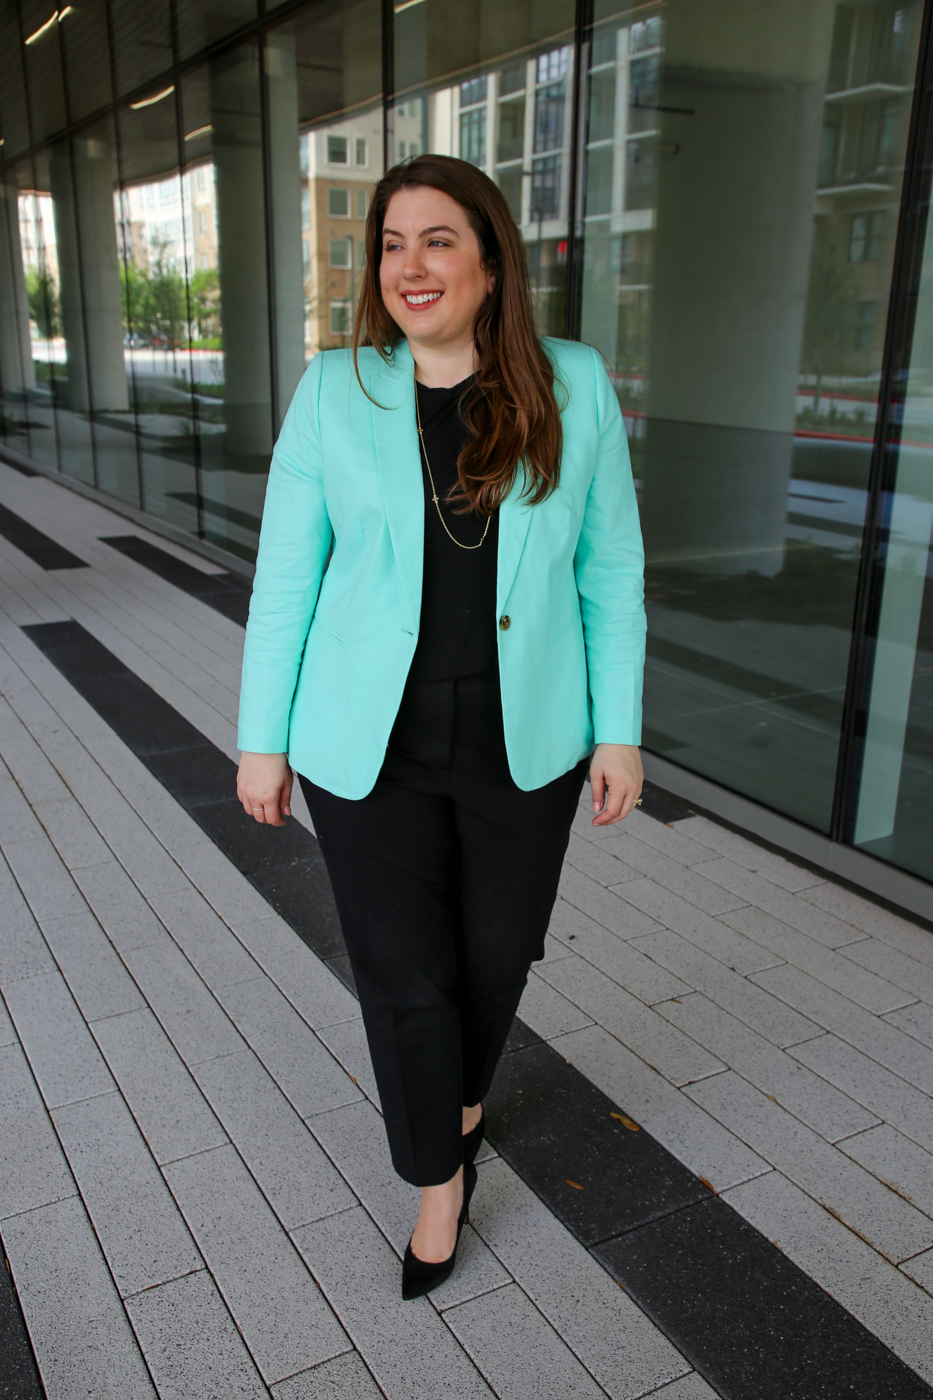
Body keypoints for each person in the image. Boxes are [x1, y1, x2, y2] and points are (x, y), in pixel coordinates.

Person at [236, 153, 646, 1300]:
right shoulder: (336, 389)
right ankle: (436, 1178)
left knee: (493, 955)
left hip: (530, 741)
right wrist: (259, 738)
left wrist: (621, 731)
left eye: (437, 240)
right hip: (371, 747)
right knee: (405, 973)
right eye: (391, 243)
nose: (409, 266)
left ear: (488, 256)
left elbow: (611, 568)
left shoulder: (570, 382)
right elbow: (286, 581)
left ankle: (458, 1096)